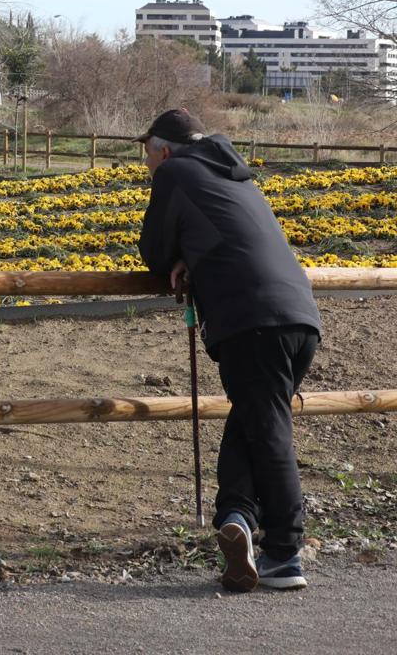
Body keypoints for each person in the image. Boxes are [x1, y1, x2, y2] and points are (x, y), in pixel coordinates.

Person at [136, 108, 321, 593]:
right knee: (255, 420)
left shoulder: (175, 173)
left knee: (269, 429)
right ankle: (237, 514)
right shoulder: (236, 174)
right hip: (299, 316)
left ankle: (284, 551)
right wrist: (191, 256)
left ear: (166, 150)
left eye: (147, 156)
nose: (148, 168)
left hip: (251, 321)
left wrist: (176, 258)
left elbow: (152, 252)